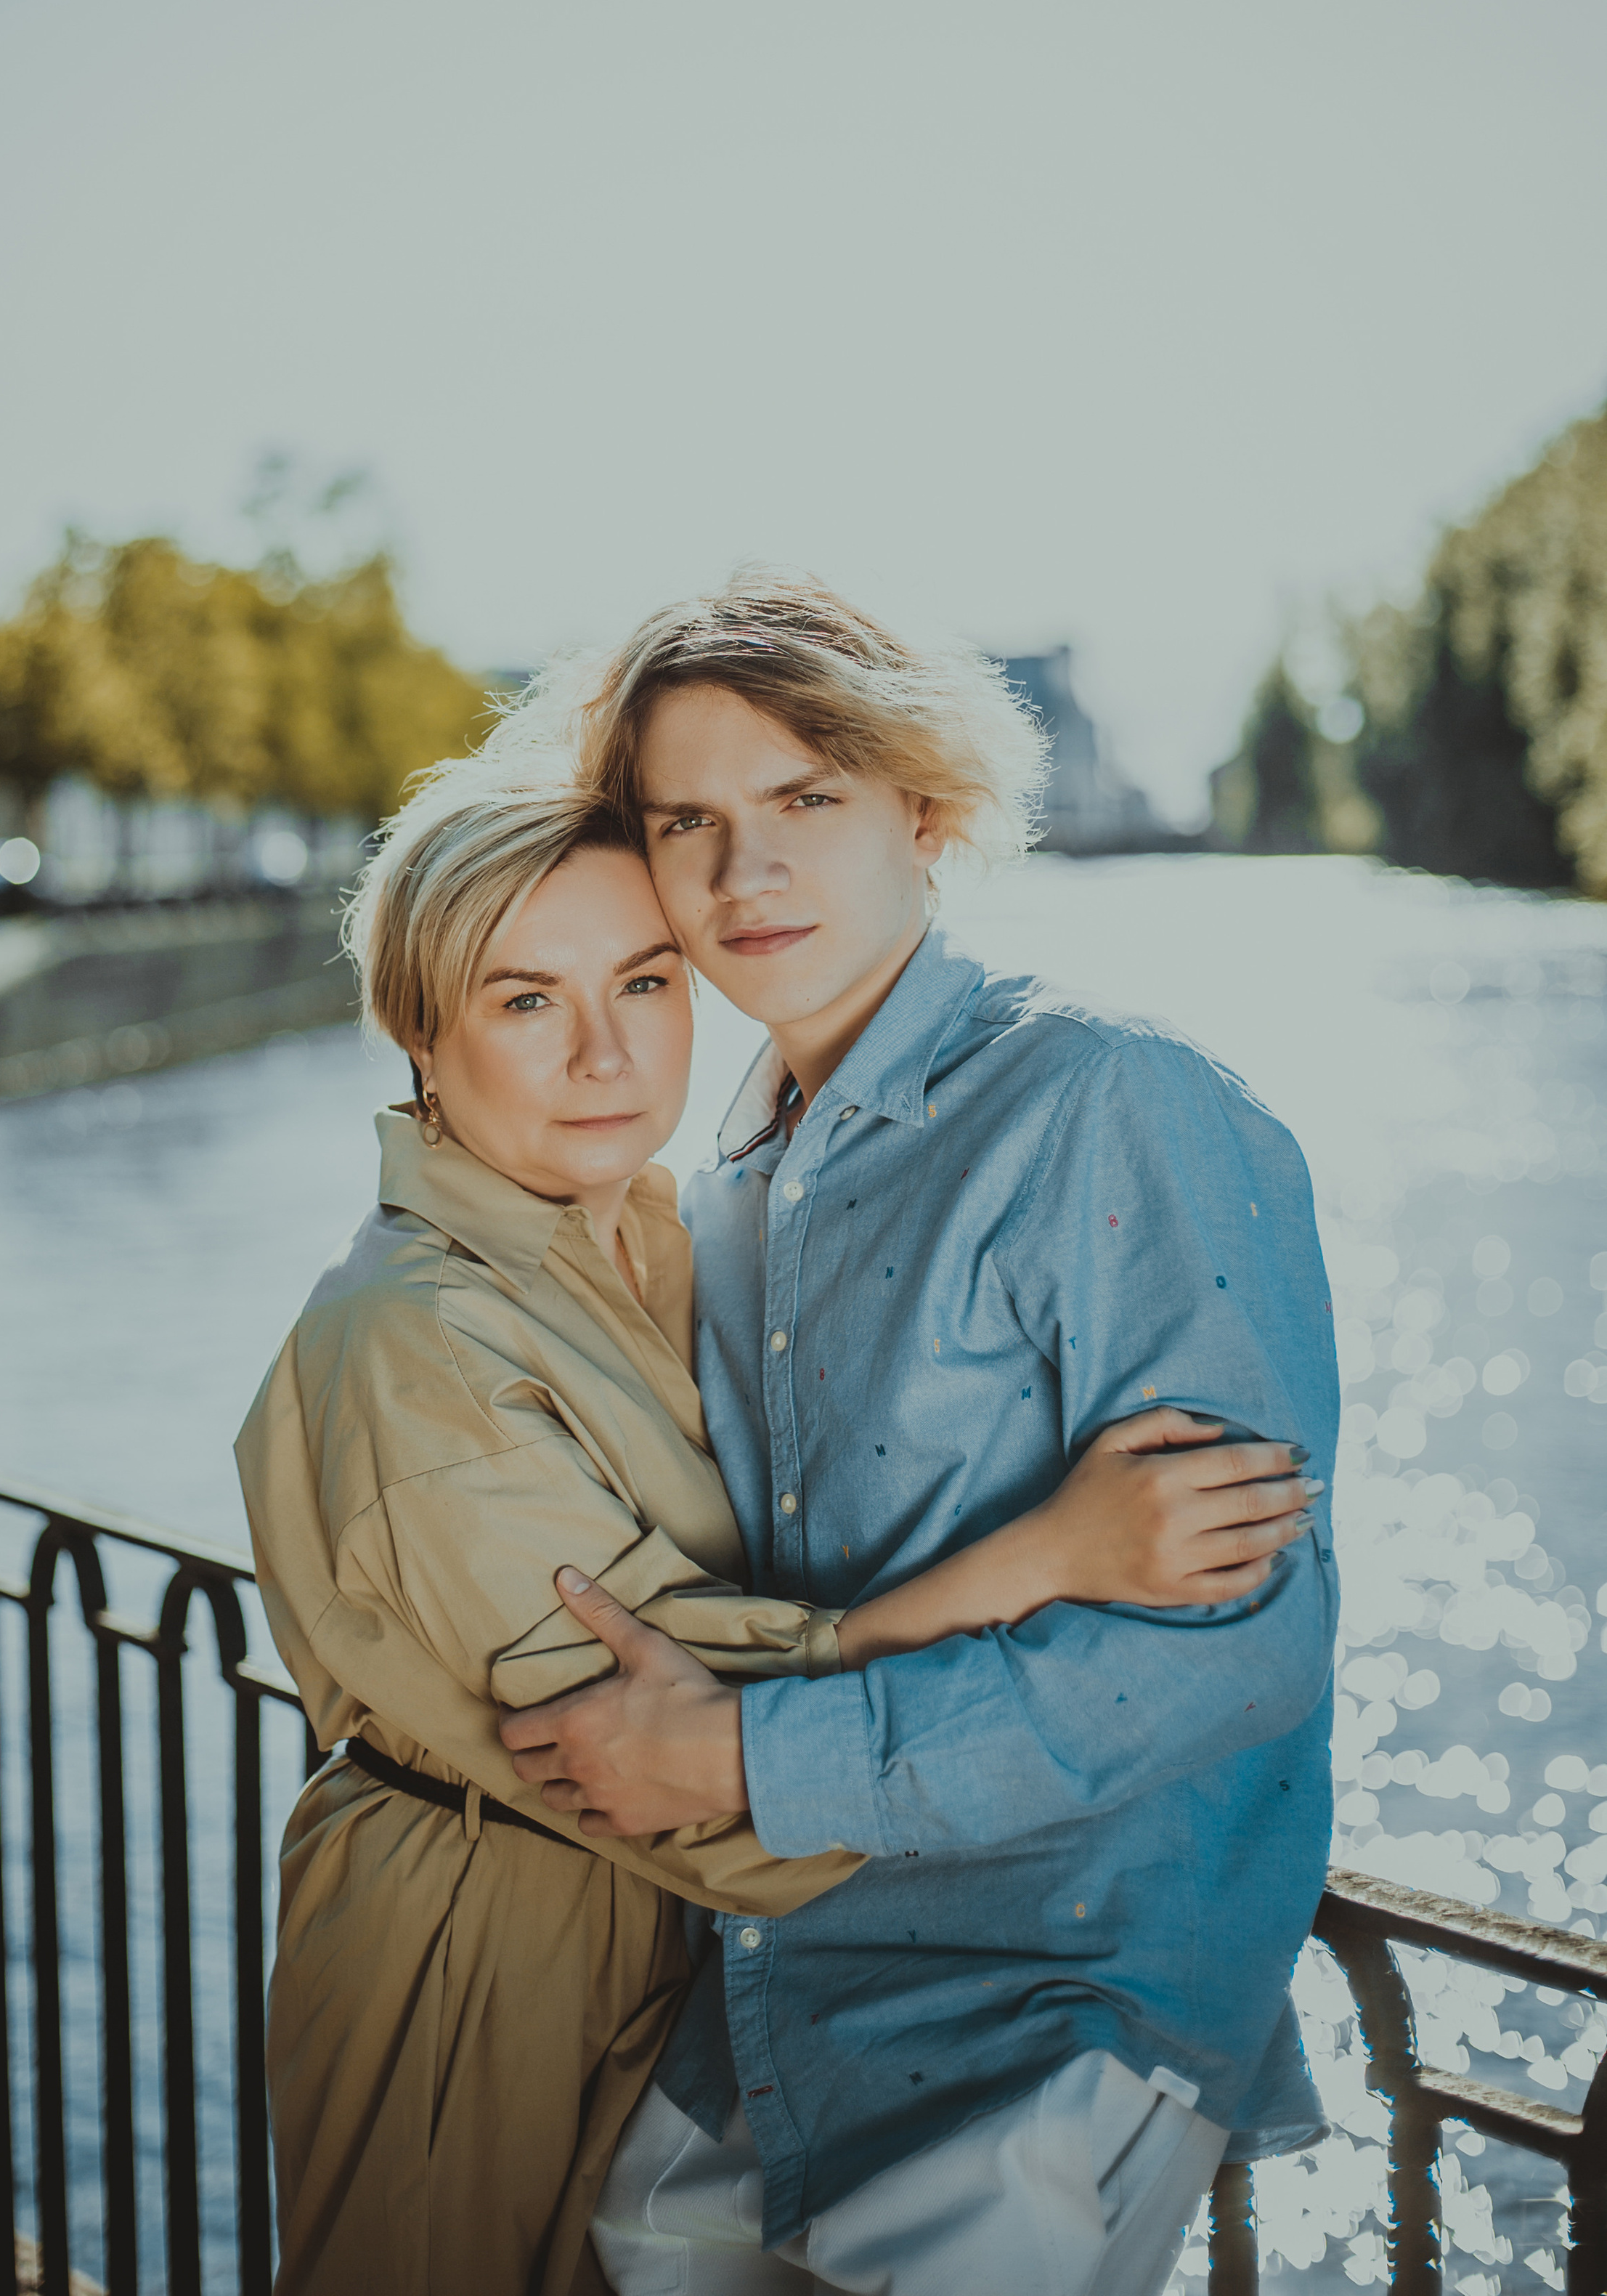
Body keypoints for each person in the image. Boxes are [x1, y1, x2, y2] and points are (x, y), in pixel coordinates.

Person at [236, 763, 1317, 2296]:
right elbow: (644, 1733)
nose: (606, 1052)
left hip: (671, 1967)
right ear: (420, 1028)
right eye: (524, 1001)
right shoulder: (404, 1344)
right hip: (482, 1954)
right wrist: (1046, 1558)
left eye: (643, 981)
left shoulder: (659, 1235)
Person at [497, 570, 1342, 2296]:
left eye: (804, 799)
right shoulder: (715, 1190)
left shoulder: (1111, 1105)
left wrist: (741, 1759)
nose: (745, 875)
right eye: (690, 824)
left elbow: (1237, 1655)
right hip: (764, 1996)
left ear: (925, 806)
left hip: (1044, 2027)